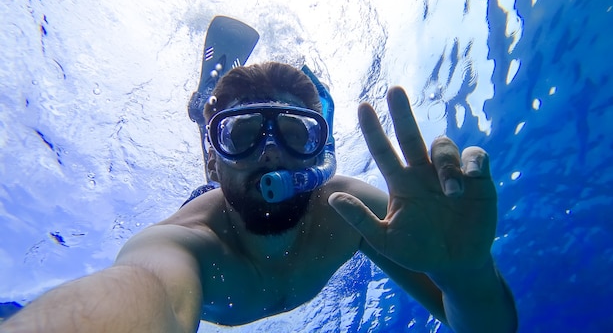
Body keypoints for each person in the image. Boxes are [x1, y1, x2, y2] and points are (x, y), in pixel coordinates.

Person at [0, 62, 517, 332]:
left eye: (295, 132)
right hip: (210, 202)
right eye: (241, 133)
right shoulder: (183, 247)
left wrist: (467, 275)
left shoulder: (349, 213)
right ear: (213, 157)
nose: (271, 154)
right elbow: (145, 285)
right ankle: (204, 114)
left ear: (320, 153)